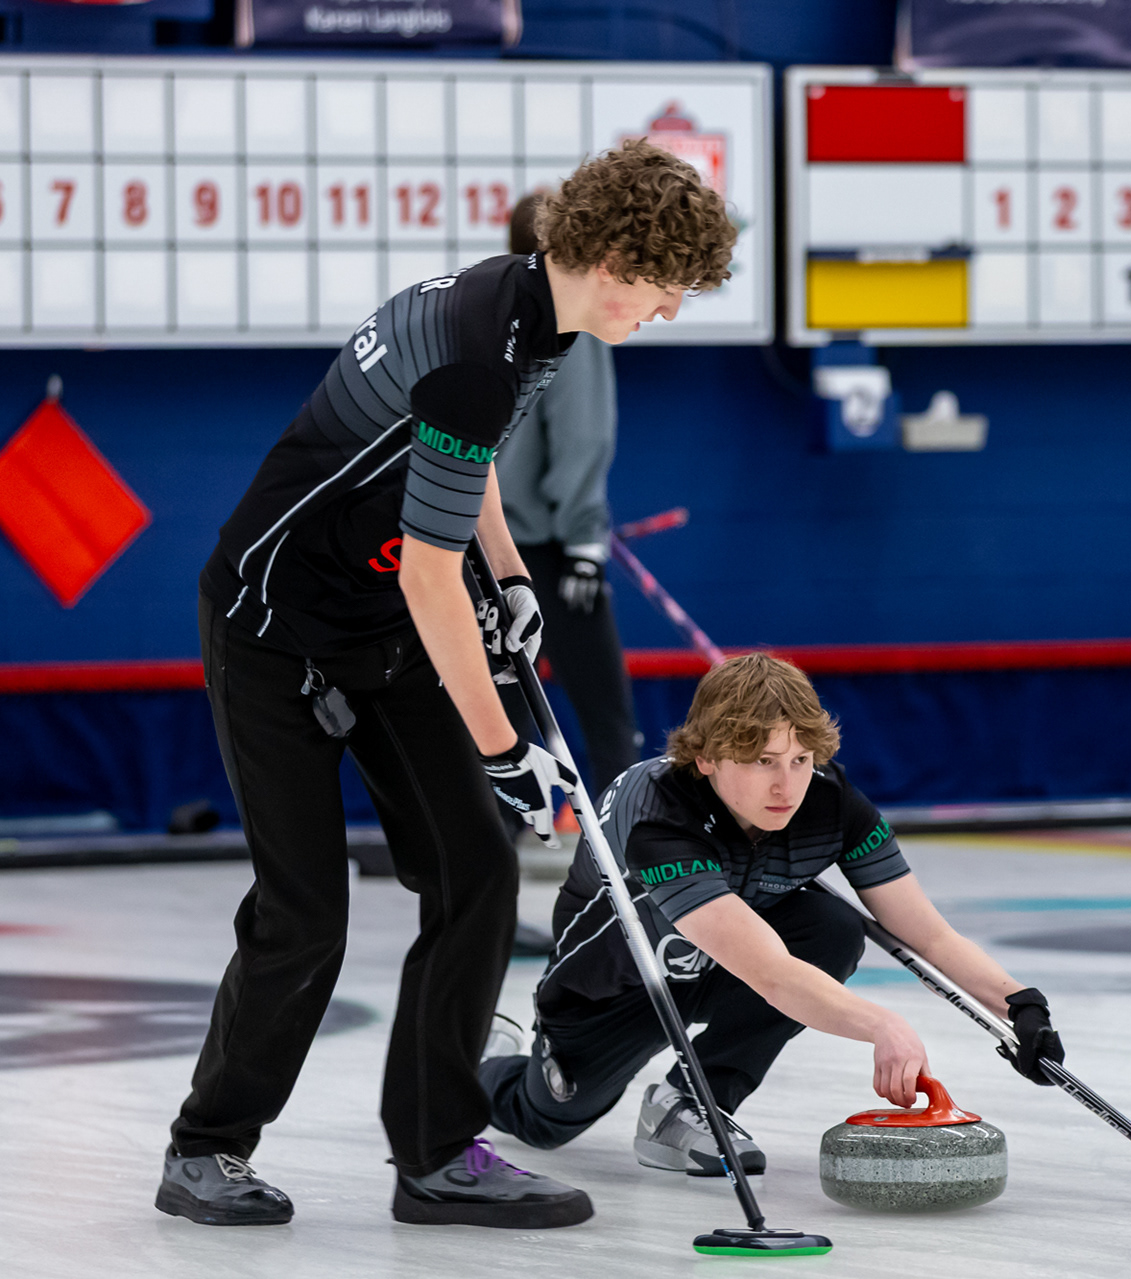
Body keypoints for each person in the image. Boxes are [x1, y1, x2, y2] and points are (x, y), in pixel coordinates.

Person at [159, 140, 736, 1230]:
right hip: (272, 628)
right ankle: (205, 1148)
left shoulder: (529, 315)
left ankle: (436, 1156)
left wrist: (510, 575)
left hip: (379, 624)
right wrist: (503, 748)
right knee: (304, 914)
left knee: (475, 870)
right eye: (666, 286)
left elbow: (468, 473)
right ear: (614, 260)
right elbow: (430, 575)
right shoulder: (480, 346)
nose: (668, 309)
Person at [480, 652, 1066, 1172]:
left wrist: (1020, 1005)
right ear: (706, 758)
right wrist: (882, 1026)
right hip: (618, 988)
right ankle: (484, 1057)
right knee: (544, 1121)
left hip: (728, 961)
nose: (788, 786)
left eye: (801, 759)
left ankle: (695, 1102)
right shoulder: (657, 814)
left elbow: (928, 936)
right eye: (762, 761)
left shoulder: (830, 800)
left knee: (833, 929)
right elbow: (769, 973)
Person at [496, 192, 639, 802]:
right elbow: (583, 438)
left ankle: (502, 832)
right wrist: (585, 542)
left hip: (483, 548)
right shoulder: (575, 323)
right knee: (606, 716)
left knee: (503, 716)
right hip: (552, 550)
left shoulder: (494, 312)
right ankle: (624, 833)